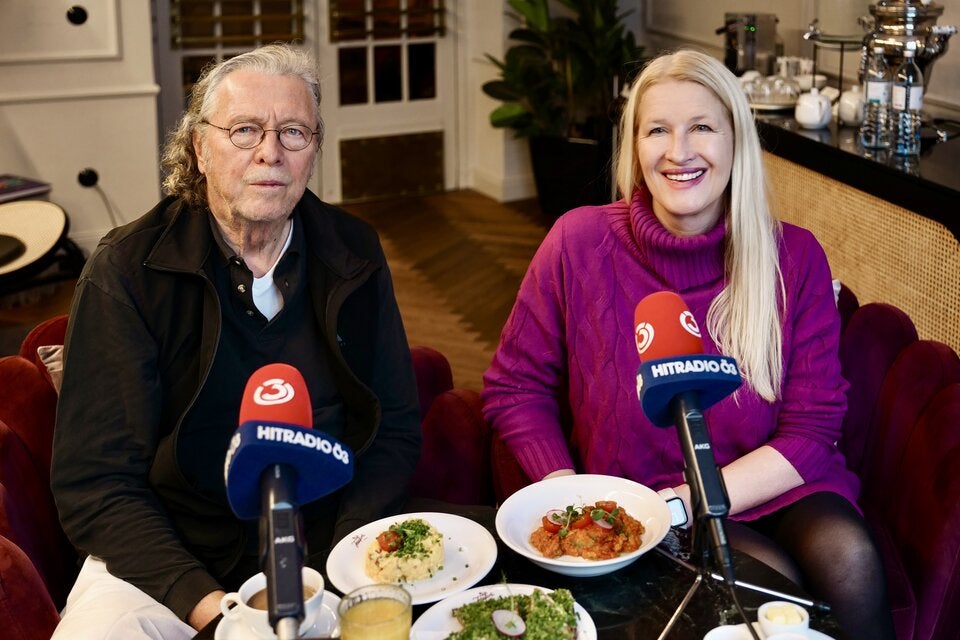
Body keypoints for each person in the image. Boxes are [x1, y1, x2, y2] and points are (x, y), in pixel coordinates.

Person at [482, 49, 895, 639]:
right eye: (657, 130)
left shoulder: (793, 256)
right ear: (634, 147)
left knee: (848, 556)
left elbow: (812, 428)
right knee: (764, 584)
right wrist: (566, 492)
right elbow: (514, 387)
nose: (678, 152)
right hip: (649, 503)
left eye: (701, 127)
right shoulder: (578, 242)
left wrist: (693, 497)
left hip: (776, 482)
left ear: (735, 143)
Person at [50, 43, 421, 639]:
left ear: (314, 150)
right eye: (244, 130)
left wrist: (340, 563)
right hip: (166, 555)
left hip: (327, 543)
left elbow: (395, 427)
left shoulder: (353, 251)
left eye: (293, 131)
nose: (269, 152)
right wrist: (211, 607)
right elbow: (96, 483)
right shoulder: (126, 270)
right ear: (200, 148)